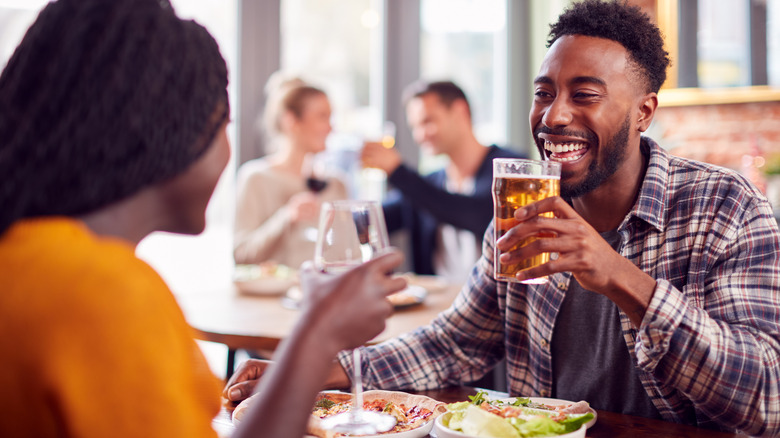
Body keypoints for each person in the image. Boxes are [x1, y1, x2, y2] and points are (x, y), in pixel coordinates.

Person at [227, 0, 780, 435]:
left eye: (584, 94)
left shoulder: (723, 209)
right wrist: (312, 375)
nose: (554, 115)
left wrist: (619, 277)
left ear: (644, 111)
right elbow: (456, 341)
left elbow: (765, 398)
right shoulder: (523, 209)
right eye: (544, 93)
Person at [0, 1, 406, 438]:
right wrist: (318, 335)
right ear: (167, 129)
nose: (227, 149)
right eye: (223, 124)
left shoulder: (28, 260)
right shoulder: (103, 293)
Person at [361, 80, 524, 284]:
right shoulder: (430, 183)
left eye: (427, 121)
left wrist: (398, 172)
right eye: (415, 127)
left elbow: (478, 214)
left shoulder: (512, 168)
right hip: (439, 305)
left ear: (460, 111)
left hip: (494, 307)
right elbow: (374, 219)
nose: (419, 135)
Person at [233, 75, 348, 268]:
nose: (331, 128)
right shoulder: (256, 178)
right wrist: (286, 217)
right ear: (290, 121)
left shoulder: (336, 184)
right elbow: (242, 255)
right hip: (272, 297)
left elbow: (348, 257)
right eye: (322, 117)